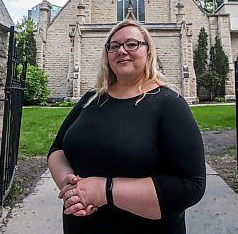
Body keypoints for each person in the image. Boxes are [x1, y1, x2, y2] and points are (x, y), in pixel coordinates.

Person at [47, 20, 206, 233]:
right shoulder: (91, 99)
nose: (122, 50)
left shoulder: (170, 103)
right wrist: (72, 190)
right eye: (114, 46)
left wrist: (105, 191)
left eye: (132, 44)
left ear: (148, 52)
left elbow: (190, 186)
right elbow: (57, 150)